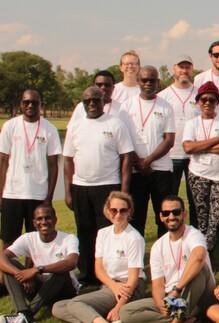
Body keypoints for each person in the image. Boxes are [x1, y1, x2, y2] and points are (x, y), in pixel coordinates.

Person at [0, 90, 61, 302]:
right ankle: (3, 281)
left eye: (34, 103)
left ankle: (30, 281)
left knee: (34, 241)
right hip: (12, 192)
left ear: (40, 104)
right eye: (26, 102)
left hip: (37, 194)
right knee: (8, 239)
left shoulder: (49, 129)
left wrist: (49, 196)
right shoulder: (10, 126)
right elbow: (1, 160)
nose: (30, 106)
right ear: (21, 104)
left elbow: (54, 165)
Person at [52, 192, 147, 323]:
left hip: (130, 287)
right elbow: (99, 269)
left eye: (123, 210)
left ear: (129, 211)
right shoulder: (103, 234)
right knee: (58, 307)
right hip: (111, 286)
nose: (118, 214)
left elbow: (134, 278)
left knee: (75, 304)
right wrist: (113, 286)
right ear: (107, 211)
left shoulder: (134, 238)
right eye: (114, 210)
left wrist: (119, 306)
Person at [63, 86, 134, 284]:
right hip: (81, 186)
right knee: (84, 230)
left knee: (107, 233)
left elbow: (127, 157)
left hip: (108, 186)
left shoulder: (115, 123)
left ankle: (108, 275)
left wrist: (124, 192)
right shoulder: (76, 126)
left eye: (96, 100)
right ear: (82, 103)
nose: (92, 104)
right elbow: (68, 159)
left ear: (103, 100)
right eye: (87, 101)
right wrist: (68, 190)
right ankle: (86, 274)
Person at [120, 196, 215, 323]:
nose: (171, 216)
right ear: (161, 217)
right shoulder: (158, 246)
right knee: (126, 313)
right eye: (166, 213)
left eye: (176, 212)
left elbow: (199, 257)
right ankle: (187, 320)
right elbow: (158, 283)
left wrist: (177, 290)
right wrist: (160, 304)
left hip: (198, 294)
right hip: (172, 299)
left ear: (184, 214)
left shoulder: (194, 235)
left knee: (200, 269)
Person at [0, 204, 79, 323]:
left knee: (61, 270)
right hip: (39, 288)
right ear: (34, 222)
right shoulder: (29, 238)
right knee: (9, 264)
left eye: (48, 218)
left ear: (55, 220)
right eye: (39, 219)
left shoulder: (68, 238)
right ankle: (23, 312)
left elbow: (71, 263)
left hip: (64, 291)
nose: (44, 222)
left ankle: (27, 315)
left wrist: (36, 270)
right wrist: (21, 275)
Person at [120, 65, 176, 237]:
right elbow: (123, 140)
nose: (148, 84)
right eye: (144, 80)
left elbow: (169, 140)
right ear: (138, 81)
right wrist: (139, 162)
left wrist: (148, 160)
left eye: (152, 80)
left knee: (165, 215)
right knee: (137, 217)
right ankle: (137, 257)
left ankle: (166, 254)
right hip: (136, 170)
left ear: (158, 82)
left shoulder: (166, 107)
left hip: (160, 170)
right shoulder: (126, 107)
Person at [182, 82, 219, 251]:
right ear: (198, 101)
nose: (207, 103)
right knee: (201, 214)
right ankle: (203, 249)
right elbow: (188, 147)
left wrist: (200, 147)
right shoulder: (192, 123)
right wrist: (216, 140)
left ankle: (208, 246)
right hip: (197, 173)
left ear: (217, 102)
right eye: (204, 99)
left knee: (216, 216)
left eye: (212, 100)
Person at [157, 55, 200, 225]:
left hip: (194, 156)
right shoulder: (163, 96)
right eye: (181, 67)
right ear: (174, 69)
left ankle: (196, 231)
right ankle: (170, 232)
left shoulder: (199, 94)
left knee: (195, 199)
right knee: (170, 199)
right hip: (171, 155)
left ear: (192, 69)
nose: (184, 70)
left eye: (187, 67)